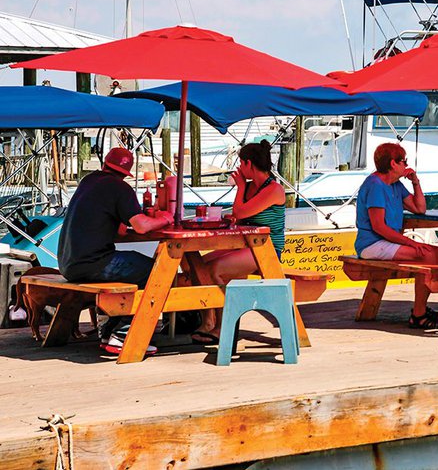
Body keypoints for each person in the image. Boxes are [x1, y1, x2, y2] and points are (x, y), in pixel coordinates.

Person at [58, 147, 174, 355]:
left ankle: (109, 331)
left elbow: (120, 229)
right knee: (156, 271)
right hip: (94, 263)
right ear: (127, 172)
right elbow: (141, 227)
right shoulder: (120, 188)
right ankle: (122, 333)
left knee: (136, 267)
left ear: (105, 164)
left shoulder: (88, 181)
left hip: (69, 264)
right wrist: (165, 219)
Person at [195, 140, 286, 343]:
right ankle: (209, 321)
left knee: (216, 269)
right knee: (199, 266)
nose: (238, 168)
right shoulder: (251, 186)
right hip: (246, 245)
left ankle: (223, 327)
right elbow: (241, 217)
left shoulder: (273, 190)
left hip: (266, 249)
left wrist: (240, 188)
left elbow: (240, 211)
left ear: (248, 164)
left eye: (240, 163)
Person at [355, 142, 438, 329]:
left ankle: (421, 309)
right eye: (403, 161)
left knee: (435, 254)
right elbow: (379, 227)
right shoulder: (375, 185)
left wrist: (415, 182)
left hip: (386, 241)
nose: (406, 165)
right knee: (427, 254)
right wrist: (410, 243)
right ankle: (419, 314)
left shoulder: (395, 185)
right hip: (372, 244)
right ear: (393, 164)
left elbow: (419, 208)